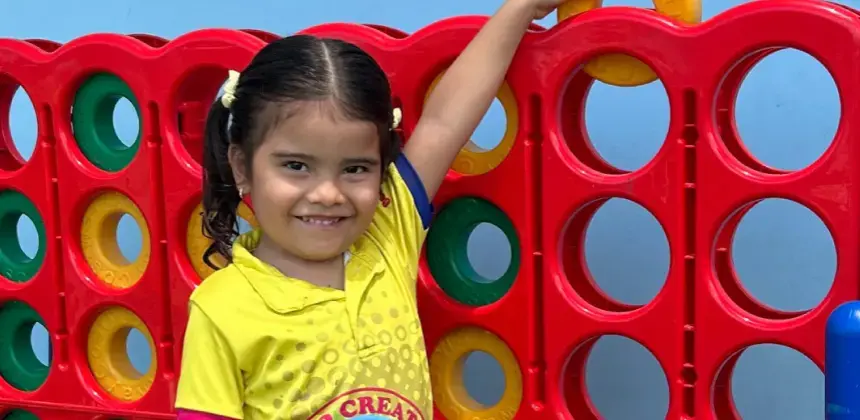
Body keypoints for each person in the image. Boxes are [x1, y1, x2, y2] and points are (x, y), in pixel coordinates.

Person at [174, 0, 562, 418]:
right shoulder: (222, 309)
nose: (328, 193)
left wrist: (521, 9)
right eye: (296, 166)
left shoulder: (388, 230)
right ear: (242, 167)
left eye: (355, 168)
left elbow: (445, 122)